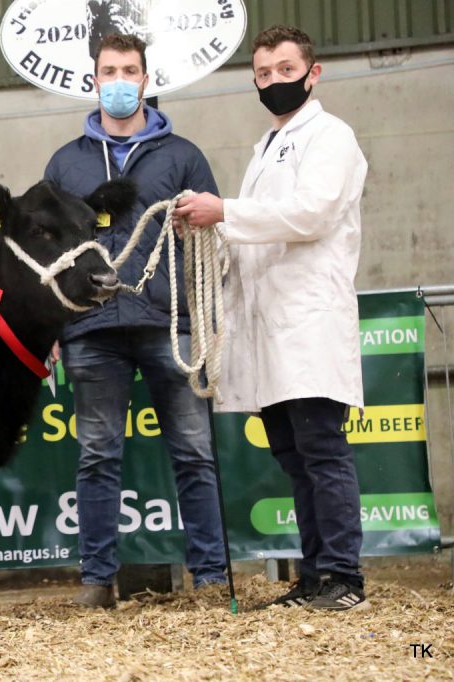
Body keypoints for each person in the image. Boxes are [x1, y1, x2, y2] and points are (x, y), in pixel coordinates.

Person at [173, 25, 369, 611]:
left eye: (285, 70)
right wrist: (211, 231)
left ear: (313, 73)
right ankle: (313, 574)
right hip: (268, 326)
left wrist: (224, 210)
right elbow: (256, 228)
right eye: (263, 73)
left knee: (321, 450)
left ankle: (343, 577)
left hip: (308, 321)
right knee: (291, 452)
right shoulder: (267, 146)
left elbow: (310, 213)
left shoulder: (332, 137)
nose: (274, 81)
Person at [44, 32, 228, 609]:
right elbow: (47, 252)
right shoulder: (64, 163)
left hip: (167, 321)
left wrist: (193, 231)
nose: (120, 81)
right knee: (98, 455)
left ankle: (212, 577)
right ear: (93, 79)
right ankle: (98, 584)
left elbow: (215, 239)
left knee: (195, 452)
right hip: (91, 330)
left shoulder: (183, 156)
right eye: (109, 71)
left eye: (130, 71)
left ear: (146, 81)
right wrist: (51, 327)